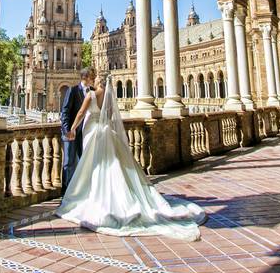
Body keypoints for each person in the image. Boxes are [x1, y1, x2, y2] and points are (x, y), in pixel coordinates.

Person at [57, 74, 206, 241]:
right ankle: (113, 195)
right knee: (110, 166)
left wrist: (72, 129)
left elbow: (81, 113)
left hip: (93, 132)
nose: (95, 79)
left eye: (97, 78)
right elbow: (111, 115)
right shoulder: (108, 95)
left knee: (94, 165)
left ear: (98, 81)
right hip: (105, 131)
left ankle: (95, 196)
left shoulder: (91, 95)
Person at [60, 67, 95, 192]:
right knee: (68, 163)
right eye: (92, 77)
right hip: (72, 133)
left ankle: (80, 191)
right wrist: (67, 131)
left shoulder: (94, 92)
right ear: (84, 77)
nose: (94, 79)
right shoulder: (73, 90)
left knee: (83, 162)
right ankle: (65, 193)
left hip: (86, 133)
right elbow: (65, 112)